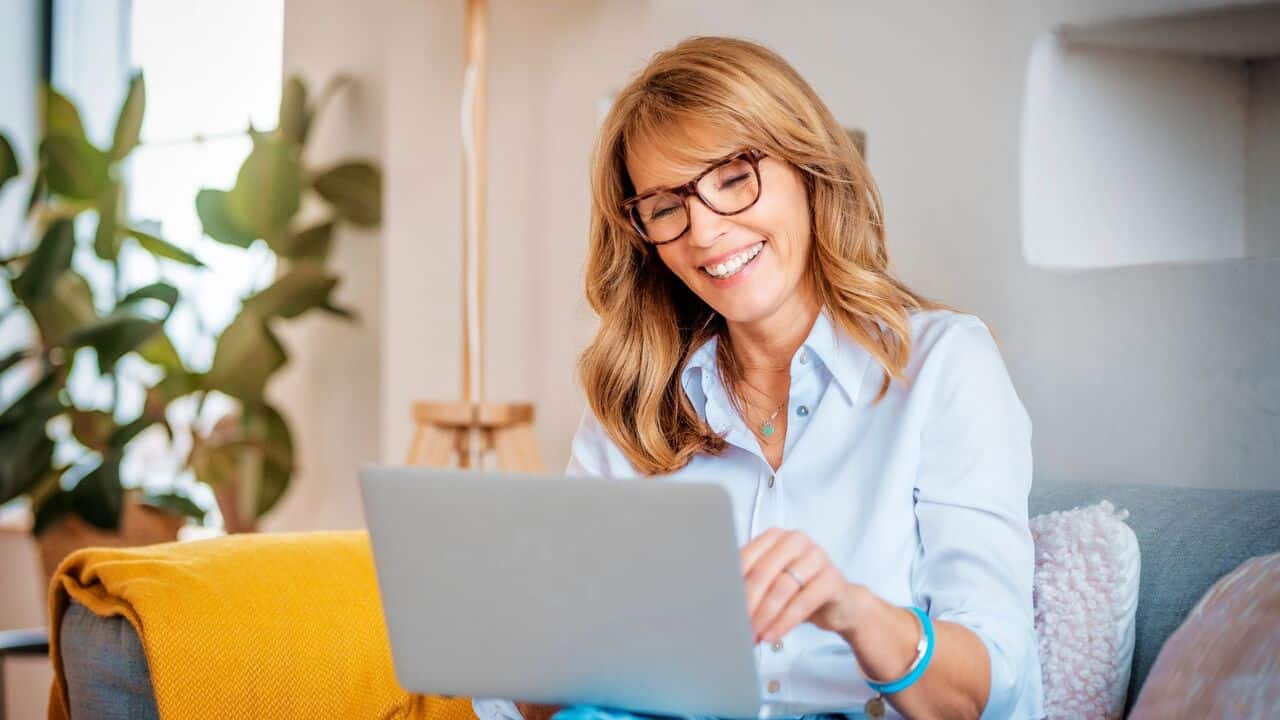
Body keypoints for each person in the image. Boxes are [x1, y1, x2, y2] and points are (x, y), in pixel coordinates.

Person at [474, 36, 1044, 720]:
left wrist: (856, 612)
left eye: (732, 177)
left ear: (808, 169)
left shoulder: (943, 367)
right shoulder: (635, 406)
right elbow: (544, 705)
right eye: (665, 206)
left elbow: (991, 688)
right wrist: (514, 651)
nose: (705, 231)